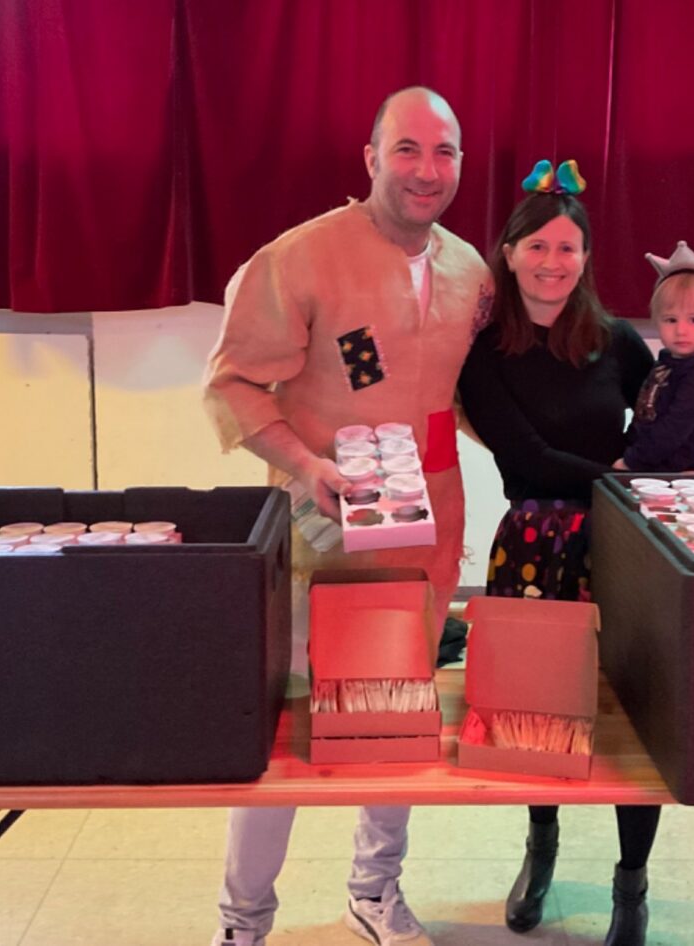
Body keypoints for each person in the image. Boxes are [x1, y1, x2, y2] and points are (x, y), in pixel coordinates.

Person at [201, 87, 492, 946]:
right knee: (284, 726)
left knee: (397, 715)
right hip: (319, 531)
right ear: (370, 158)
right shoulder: (301, 258)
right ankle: (242, 920)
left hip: (426, 532)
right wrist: (307, 465)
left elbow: (483, 397)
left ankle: (375, 890)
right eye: (407, 149)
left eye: (445, 152)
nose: (427, 171)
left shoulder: (472, 272)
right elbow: (233, 382)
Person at [456, 160, 664, 946]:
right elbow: (527, 458)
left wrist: (677, 451)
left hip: (626, 547)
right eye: (537, 246)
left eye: (568, 247)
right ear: (508, 254)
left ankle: (631, 884)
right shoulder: (486, 353)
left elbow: (666, 424)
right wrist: (621, 478)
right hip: (536, 550)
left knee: (641, 713)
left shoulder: (617, 341)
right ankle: (540, 846)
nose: (552, 261)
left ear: (586, 258)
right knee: (540, 711)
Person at [614, 240, 694, 473]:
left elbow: (673, 429)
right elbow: (645, 417)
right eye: (671, 320)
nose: (681, 330)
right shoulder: (670, 360)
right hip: (651, 465)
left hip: (677, 472)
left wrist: (631, 461)